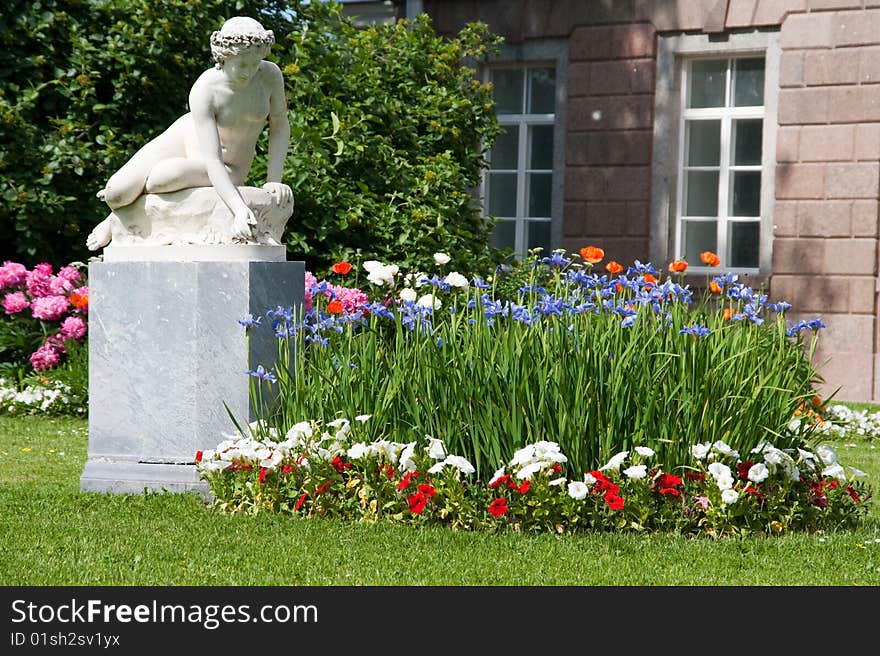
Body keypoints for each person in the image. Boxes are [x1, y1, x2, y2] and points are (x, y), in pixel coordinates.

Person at [87, 16, 292, 250]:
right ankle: (115, 214)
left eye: (254, 64)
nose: (248, 72)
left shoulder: (270, 76)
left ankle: (119, 220)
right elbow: (211, 157)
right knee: (115, 193)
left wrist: (273, 179)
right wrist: (238, 207)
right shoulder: (205, 89)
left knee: (161, 178)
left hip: (230, 165)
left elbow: (279, 124)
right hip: (186, 135)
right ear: (223, 58)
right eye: (241, 65)